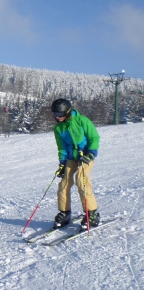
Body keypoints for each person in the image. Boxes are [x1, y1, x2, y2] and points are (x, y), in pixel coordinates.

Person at [51, 98, 100, 230]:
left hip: (86, 156)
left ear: (67, 112)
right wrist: (62, 163)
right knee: (64, 183)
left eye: (60, 115)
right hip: (71, 157)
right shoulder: (58, 128)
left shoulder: (82, 121)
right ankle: (65, 212)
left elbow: (94, 137)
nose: (58, 117)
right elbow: (61, 147)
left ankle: (92, 213)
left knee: (81, 179)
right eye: (55, 115)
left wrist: (91, 153)